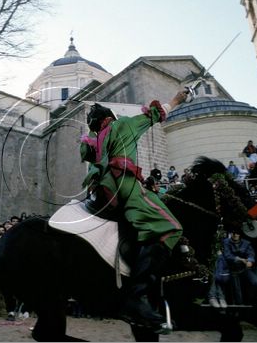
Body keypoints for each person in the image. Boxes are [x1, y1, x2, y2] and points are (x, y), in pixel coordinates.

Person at [80, 90, 187, 331]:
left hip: (102, 191)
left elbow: (88, 153)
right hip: (125, 188)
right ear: (111, 117)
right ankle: (137, 297)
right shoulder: (123, 126)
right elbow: (154, 116)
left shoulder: (94, 139)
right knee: (170, 227)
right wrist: (178, 100)